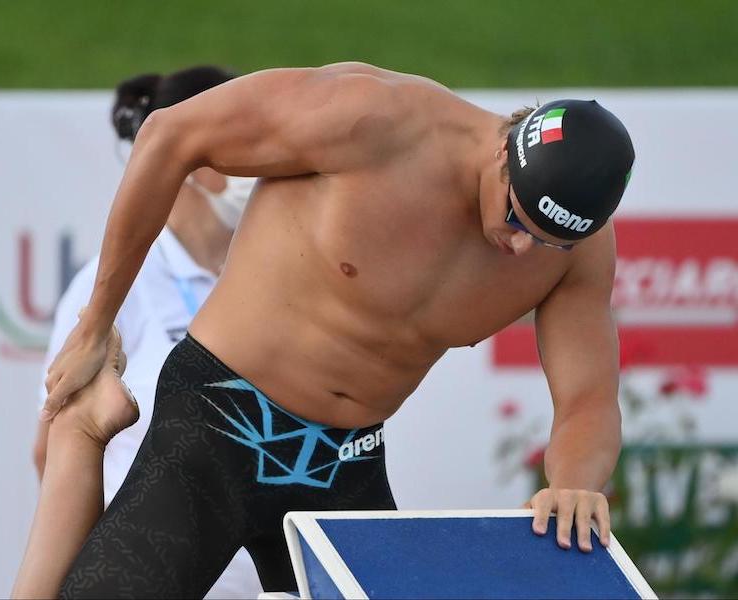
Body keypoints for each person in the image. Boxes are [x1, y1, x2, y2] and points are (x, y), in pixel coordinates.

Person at [42, 62, 634, 597]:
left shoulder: (576, 253)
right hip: (215, 424)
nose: (521, 244)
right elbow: (171, 133)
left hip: (345, 464)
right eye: (515, 215)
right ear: (505, 151)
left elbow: (587, 398)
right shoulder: (373, 118)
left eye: (548, 239)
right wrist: (96, 324)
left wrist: (576, 482)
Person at [17, 66, 262, 598]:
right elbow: (54, 448)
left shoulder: (272, 274)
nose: (262, 165)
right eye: (247, 145)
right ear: (193, 159)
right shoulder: (109, 292)